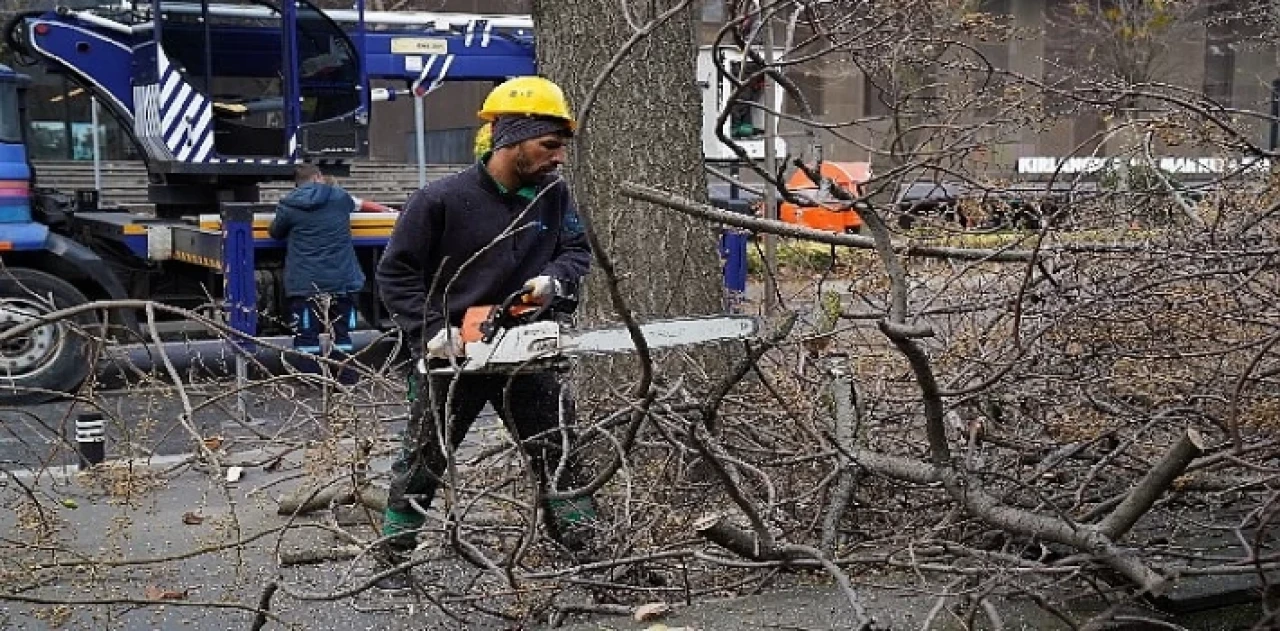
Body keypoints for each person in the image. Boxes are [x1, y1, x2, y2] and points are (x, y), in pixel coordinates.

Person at [375, 76, 596, 588]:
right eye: (548, 146)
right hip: (453, 352)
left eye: (560, 148)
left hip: (524, 344)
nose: (557, 158)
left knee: (555, 443)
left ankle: (582, 542)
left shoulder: (552, 197)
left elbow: (575, 252)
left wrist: (553, 282)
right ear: (511, 140)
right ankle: (393, 552)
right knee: (425, 452)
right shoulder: (440, 200)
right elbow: (396, 274)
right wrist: (431, 329)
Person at [268, 164, 365, 383]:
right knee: (342, 334)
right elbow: (353, 205)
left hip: (306, 282)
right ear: (319, 176)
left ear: (297, 182)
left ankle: (311, 380)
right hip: (341, 279)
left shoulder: (289, 204)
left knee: (306, 335)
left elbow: (275, 232)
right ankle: (346, 377)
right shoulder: (339, 197)